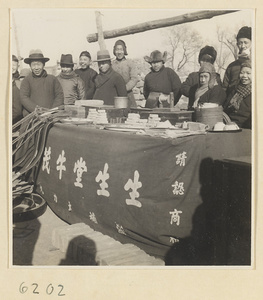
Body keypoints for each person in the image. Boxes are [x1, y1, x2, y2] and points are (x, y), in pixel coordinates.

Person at [20, 49, 64, 116]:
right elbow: (24, 98)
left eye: (39, 64)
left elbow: (59, 96)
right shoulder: (26, 80)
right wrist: (37, 110)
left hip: (50, 116)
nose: (36, 67)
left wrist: (51, 111)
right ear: (30, 66)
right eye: (33, 65)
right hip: (32, 116)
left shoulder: (52, 79)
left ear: (43, 65)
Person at [223, 26, 251, 95]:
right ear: (237, 44)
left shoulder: (258, 63)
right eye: (240, 43)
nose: (243, 46)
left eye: (246, 42)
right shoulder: (232, 66)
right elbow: (224, 88)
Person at [224, 61, 252, 129]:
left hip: (245, 128)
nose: (244, 76)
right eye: (242, 73)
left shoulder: (256, 93)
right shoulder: (234, 90)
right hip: (229, 124)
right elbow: (225, 109)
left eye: (248, 73)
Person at [112, 40, 139, 107]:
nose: (119, 52)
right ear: (114, 51)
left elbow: (134, 78)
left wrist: (124, 88)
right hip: (115, 94)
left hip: (128, 93)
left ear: (124, 51)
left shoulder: (130, 63)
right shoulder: (111, 64)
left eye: (121, 49)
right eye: (117, 50)